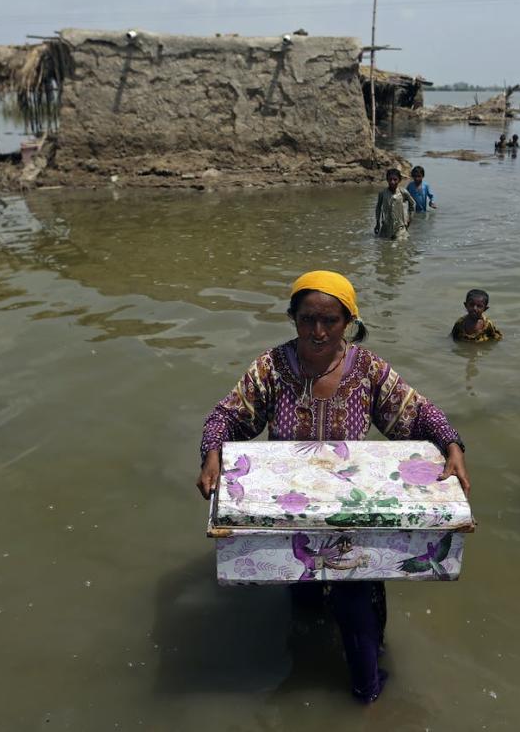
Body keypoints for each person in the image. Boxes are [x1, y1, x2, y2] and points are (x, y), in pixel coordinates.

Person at [197, 270, 469, 703]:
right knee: (302, 599)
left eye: (330, 321)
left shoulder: (368, 370)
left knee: (357, 604)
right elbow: (227, 416)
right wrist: (212, 451)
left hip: (353, 512)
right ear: (293, 318)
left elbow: (417, 413)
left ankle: (368, 696)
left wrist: (451, 444)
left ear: (349, 322)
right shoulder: (271, 368)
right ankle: (304, 667)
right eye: (307, 319)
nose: (318, 332)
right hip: (290, 510)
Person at [373, 168, 413, 240]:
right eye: (390, 179)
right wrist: (377, 223)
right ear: (387, 180)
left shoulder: (403, 192)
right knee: (383, 245)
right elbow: (378, 207)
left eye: (395, 179)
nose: (392, 182)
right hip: (386, 226)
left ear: (399, 180)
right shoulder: (382, 193)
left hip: (400, 227)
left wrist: (409, 218)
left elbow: (412, 204)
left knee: (400, 246)